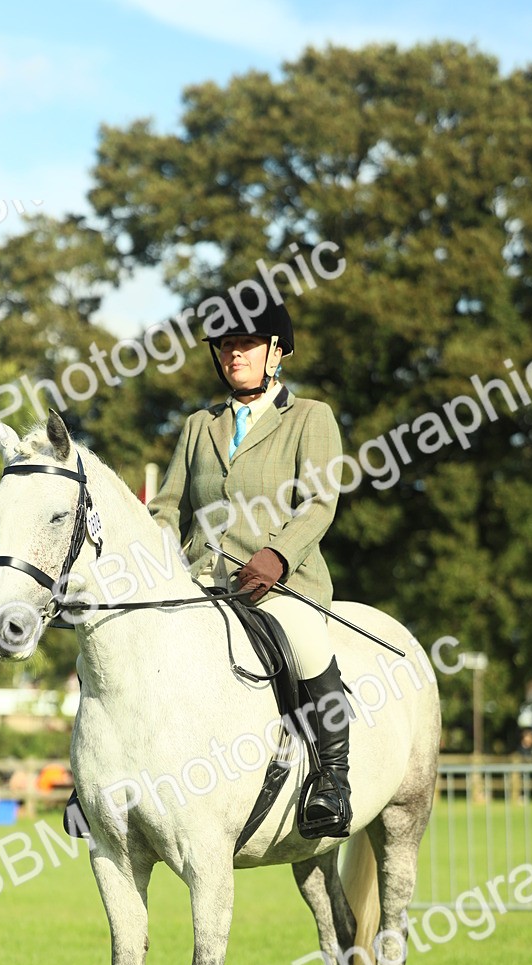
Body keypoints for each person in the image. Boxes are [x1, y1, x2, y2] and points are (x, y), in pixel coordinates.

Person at [148, 290, 353, 839]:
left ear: (276, 352)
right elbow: (167, 506)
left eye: (246, 343)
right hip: (200, 583)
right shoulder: (199, 425)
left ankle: (332, 779)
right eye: (226, 345)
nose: (234, 353)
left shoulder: (309, 417)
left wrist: (277, 555)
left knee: (306, 643)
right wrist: (161, 557)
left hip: (278, 585)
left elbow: (319, 502)